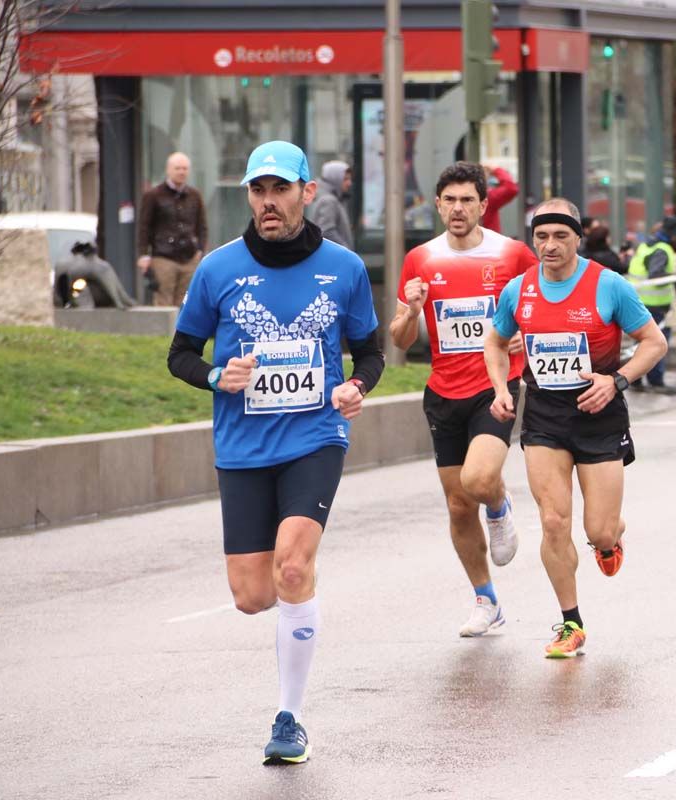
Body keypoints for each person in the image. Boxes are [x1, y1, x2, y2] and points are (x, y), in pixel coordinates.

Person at [166, 140, 383, 764]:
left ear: (306, 193)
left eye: (280, 189)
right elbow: (181, 354)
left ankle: (290, 718)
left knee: (291, 568)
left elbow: (370, 353)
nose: (268, 201)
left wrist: (355, 386)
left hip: (315, 436)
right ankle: (297, 590)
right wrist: (216, 376)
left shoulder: (343, 269)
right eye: (258, 190)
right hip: (243, 444)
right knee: (253, 596)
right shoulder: (218, 269)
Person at [483, 198, 668, 658]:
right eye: (541, 237)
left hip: (599, 414)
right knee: (552, 520)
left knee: (598, 530)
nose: (550, 245)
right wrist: (501, 388)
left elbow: (654, 342)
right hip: (545, 416)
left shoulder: (609, 285)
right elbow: (495, 341)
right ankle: (571, 623)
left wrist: (616, 380)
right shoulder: (519, 290)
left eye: (560, 236)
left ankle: (610, 536)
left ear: (578, 238)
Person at [389, 161, 538, 637]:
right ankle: (485, 599)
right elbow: (399, 339)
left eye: (467, 200)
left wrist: (527, 335)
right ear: (437, 205)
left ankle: (498, 505)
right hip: (443, 391)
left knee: (479, 479)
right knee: (457, 505)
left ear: (483, 205)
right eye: (450, 200)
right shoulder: (421, 259)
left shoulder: (512, 254)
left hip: (495, 386)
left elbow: (542, 305)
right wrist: (412, 311)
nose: (458, 209)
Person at [137, 152, 208, 306]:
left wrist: (201, 250)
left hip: (189, 258)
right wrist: (143, 255)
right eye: (177, 168)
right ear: (168, 170)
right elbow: (144, 226)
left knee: (186, 303)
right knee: (163, 304)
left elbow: (202, 226)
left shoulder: (195, 195)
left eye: (185, 168)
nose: (181, 172)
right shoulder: (153, 195)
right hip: (163, 257)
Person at [627, 217, 676, 393]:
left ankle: (635, 380)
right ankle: (656, 381)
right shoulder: (662, 249)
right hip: (656, 305)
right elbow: (656, 275)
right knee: (657, 343)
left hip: (639, 301)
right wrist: (675, 277)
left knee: (639, 343)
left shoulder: (644, 245)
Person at [53, 240, 136, 308]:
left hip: (64, 297)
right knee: (104, 270)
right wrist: (117, 301)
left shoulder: (64, 263)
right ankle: (120, 299)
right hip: (72, 296)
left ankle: (120, 299)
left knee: (103, 272)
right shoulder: (86, 263)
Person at [311, 160, 354, 250]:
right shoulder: (329, 200)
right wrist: (346, 251)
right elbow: (327, 231)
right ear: (335, 178)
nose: (349, 183)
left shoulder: (333, 199)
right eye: (345, 179)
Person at [481, 165, 519, 233]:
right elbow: (511, 188)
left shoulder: (485, 196)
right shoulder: (487, 197)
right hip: (489, 237)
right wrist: (496, 169)